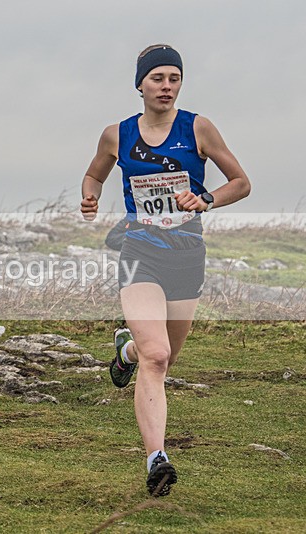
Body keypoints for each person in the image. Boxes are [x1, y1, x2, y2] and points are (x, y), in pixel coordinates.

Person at [80, 45, 250, 496]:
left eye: (174, 78)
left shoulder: (198, 128)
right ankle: (157, 457)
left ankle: (126, 352)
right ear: (140, 84)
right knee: (158, 357)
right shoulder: (117, 135)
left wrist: (207, 199)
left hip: (187, 256)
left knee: (163, 357)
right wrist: (90, 196)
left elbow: (241, 182)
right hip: (140, 252)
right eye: (157, 78)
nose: (167, 86)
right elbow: (94, 173)